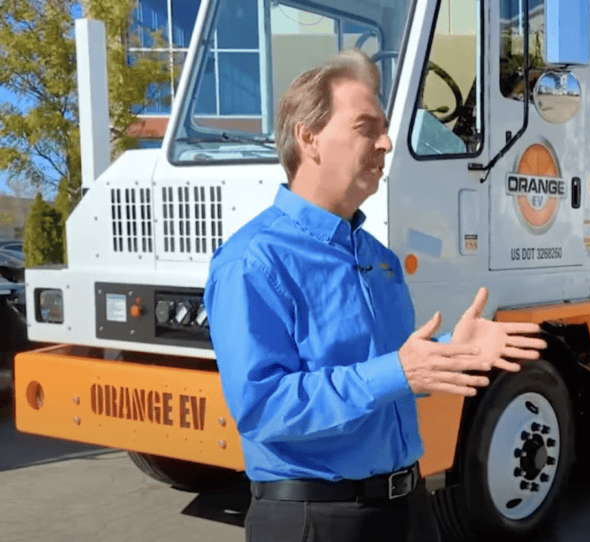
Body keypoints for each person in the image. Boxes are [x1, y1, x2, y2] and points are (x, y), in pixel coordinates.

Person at [204, 50, 547, 542]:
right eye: (367, 127)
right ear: (308, 137)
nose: (386, 142)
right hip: (317, 520)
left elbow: (392, 373)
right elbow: (262, 407)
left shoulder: (379, 258)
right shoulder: (253, 262)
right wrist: (399, 371)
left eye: (384, 128)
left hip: (409, 510)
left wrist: (452, 350)